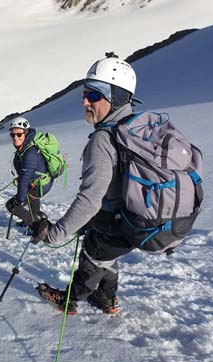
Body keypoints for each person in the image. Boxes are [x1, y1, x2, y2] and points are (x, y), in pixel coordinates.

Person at [31, 54, 141, 315]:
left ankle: (69, 299)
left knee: (93, 257)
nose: (84, 101)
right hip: (132, 220)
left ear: (116, 97)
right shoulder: (134, 127)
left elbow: (90, 198)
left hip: (115, 221)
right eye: (85, 93)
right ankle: (107, 299)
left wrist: (55, 234)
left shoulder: (104, 140)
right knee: (107, 256)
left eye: (93, 95)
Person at [6, 117, 52, 228]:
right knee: (32, 200)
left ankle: (36, 226)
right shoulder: (24, 147)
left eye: (19, 134)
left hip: (38, 185)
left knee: (12, 205)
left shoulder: (30, 153)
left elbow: (24, 179)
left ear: (26, 133)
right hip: (40, 183)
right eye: (12, 135)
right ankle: (34, 219)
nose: (15, 137)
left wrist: (19, 201)